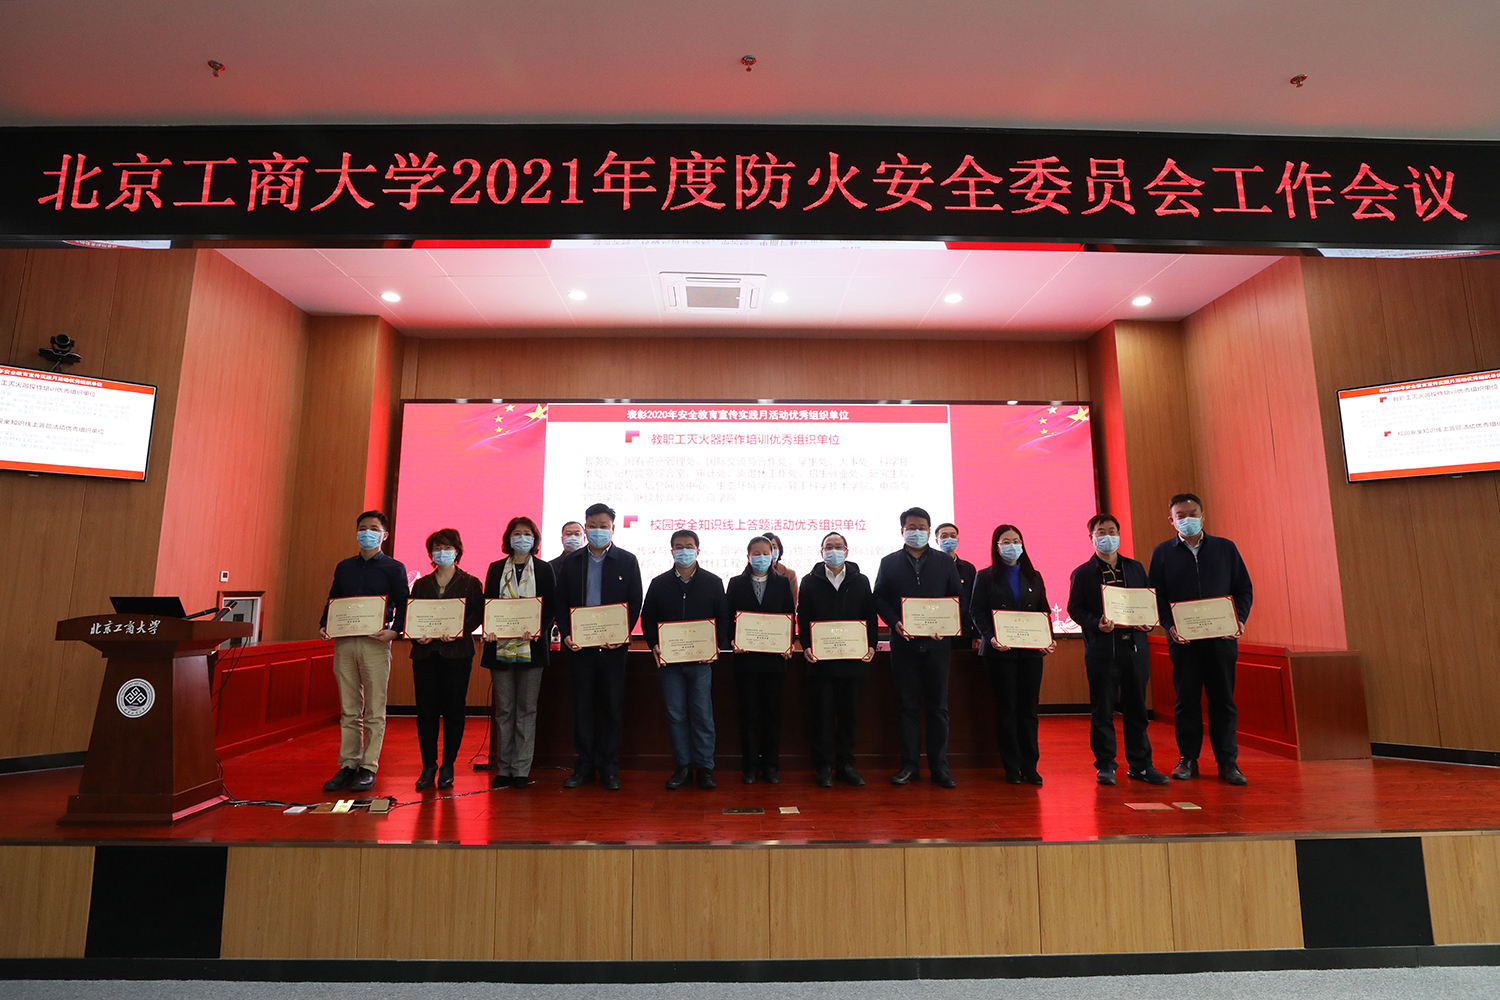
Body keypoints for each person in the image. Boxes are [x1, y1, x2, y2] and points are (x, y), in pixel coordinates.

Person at [1147, 493, 1254, 786]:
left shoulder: (1225, 548)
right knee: (1186, 702)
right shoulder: (1162, 553)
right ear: (1172, 520)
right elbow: (1156, 595)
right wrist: (1169, 625)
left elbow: (1243, 589)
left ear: (1203, 516)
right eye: (1181, 515)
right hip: (1183, 643)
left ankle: (1228, 762)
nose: (1187, 519)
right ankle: (1188, 759)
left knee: (1223, 702)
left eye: (1192, 513)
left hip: (1221, 639)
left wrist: (1239, 619)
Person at [1066, 515, 1167, 787]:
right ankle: (1105, 765)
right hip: (1102, 649)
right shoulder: (1083, 572)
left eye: (1112, 531)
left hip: (1135, 647)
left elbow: (1148, 600)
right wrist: (1095, 623)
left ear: (1119, 535)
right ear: (1091, 538)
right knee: (1103, 710)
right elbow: (1074, 608)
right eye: (1101, 532)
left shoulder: (1135, 568)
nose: (1107, 536)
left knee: (1137, 709)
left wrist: (1148, 621)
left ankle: (1141, 765)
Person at [318, 510, 409, 794]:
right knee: (348, 708)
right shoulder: (344, 567)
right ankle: (348, 764)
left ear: (384, 535)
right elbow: (334, 599)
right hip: (345, 642)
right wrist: (325, 624)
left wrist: (395, 631)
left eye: (373, 528)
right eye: (362, 528)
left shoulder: (394, 568)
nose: (366, 533)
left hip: (375, 643)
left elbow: (403, 603)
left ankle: (368, 766)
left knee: (374, 709)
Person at [873, 506, 964, 788]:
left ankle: (939, 768)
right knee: (908, 706)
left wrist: (946, 626)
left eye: (922, 527)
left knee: (938, 708)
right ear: (902, 531)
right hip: (904, 645)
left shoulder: (944, 562)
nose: (916, 532)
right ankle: (909, 766)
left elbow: (957, 598)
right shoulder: (889, 563)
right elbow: (880, 598)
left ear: (929, 531)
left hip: (937, 645)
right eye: (911, 528)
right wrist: (895, 622)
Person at [555, 503, 643, 791]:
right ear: (585, 527)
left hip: (613, 650)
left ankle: (609, 768)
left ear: (613, 529)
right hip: (581, 649)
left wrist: (621, 632)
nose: (598, 531)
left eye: (603, 526)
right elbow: (560, 601)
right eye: (592, 526)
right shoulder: (572, 562)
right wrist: (567, 634)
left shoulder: (627, 561)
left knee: (611, 709)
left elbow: (635, 601)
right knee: (582, 708)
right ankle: (584, 766)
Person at [641, 529, 729, 790]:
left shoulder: (713, 582)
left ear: (698, 550)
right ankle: (682, 766)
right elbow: (648, 618)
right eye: (678, 547)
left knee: (702, 714)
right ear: (672, 551)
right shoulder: (659, 583)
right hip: (670, 664)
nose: (684, 551)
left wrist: (714, 645)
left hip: (701, 663)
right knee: (675, 714)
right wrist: (654, 644)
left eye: (688, 546)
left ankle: (705, 768)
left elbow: (723, 618)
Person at [971, 524, 1057, 785]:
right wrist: (990, 637)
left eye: (1016, 540)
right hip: (999, 652)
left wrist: (1047, 638)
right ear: (996, 547)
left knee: (1029, 710)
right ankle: (1011, 766)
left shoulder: (1034, 575)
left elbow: (1044, 611)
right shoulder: (985, 576)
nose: (1012, 545)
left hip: (1031, 653)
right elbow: (976, 611)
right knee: (1007, 708)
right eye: (1006, 541)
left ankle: (1030, 766)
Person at [798, 532, 878, 788]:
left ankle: (846, 765)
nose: (834, 550)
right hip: (821, 661)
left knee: (849, 715)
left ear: (847, 550)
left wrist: (871, 645)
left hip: (853, 660)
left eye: (838, 546)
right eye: (828, 547)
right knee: (822, 716)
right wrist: (806, 645)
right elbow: (803, 616)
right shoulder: (809, 581)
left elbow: (870, 614)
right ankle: (823, 767)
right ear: (821, 552)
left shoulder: (861, 580)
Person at [481, 516, 556, 790]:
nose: (522, 537)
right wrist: (489, 627)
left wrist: (537, 628)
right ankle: (504, 768)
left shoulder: (545, 569)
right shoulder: (495, 568)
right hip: (499, 649)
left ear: (534, 539)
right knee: (504, 710)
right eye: (517, 533)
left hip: (531, 650)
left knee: (526, 709)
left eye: (527, 533)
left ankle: (521, 769)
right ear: (508, 538)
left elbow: (551, 607)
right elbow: (488, 603)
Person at [408, 528, 484, 792]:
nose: (442, 552)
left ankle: (448, 765)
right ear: (430, 553)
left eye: (447, 547)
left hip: (457, 654)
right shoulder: (421, 584)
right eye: (437, 548)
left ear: (457, 551)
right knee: (426, 712)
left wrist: (459, 630)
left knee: (454, 711)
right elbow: (413, 616)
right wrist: (417, 636)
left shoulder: (471, 582)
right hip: (425, 655)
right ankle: (428, 765)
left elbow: (477, 615)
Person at [726, 535, 796, 784]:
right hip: (745, 660)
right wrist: (732, 640)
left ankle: (771, 766)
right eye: (756, 553)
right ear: (748, 556)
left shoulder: (783, 583)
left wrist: (788, 642)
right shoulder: (735, 583)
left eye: (766, 553)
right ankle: (750, 767)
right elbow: (728, 618)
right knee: (749, 715)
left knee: (771, 715)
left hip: (773, 661)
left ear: (773, 555)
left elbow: (789, 616)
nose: (761, 557)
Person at [935, 522, 980, 652]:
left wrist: (976, 633)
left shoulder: (968, 568)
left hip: (963, 632)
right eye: (944, 536)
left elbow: (975, 602)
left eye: (952, 536)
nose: (949, 539)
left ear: (957, 540)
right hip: (935, 630)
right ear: (937, 541)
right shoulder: (929, 567)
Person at [761, 531, 799, 605]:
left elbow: (793, 603)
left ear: (779, 550)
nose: (770, 551)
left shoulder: (789, 574)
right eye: (766, 547)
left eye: (773, 547)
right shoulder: (751, 572)